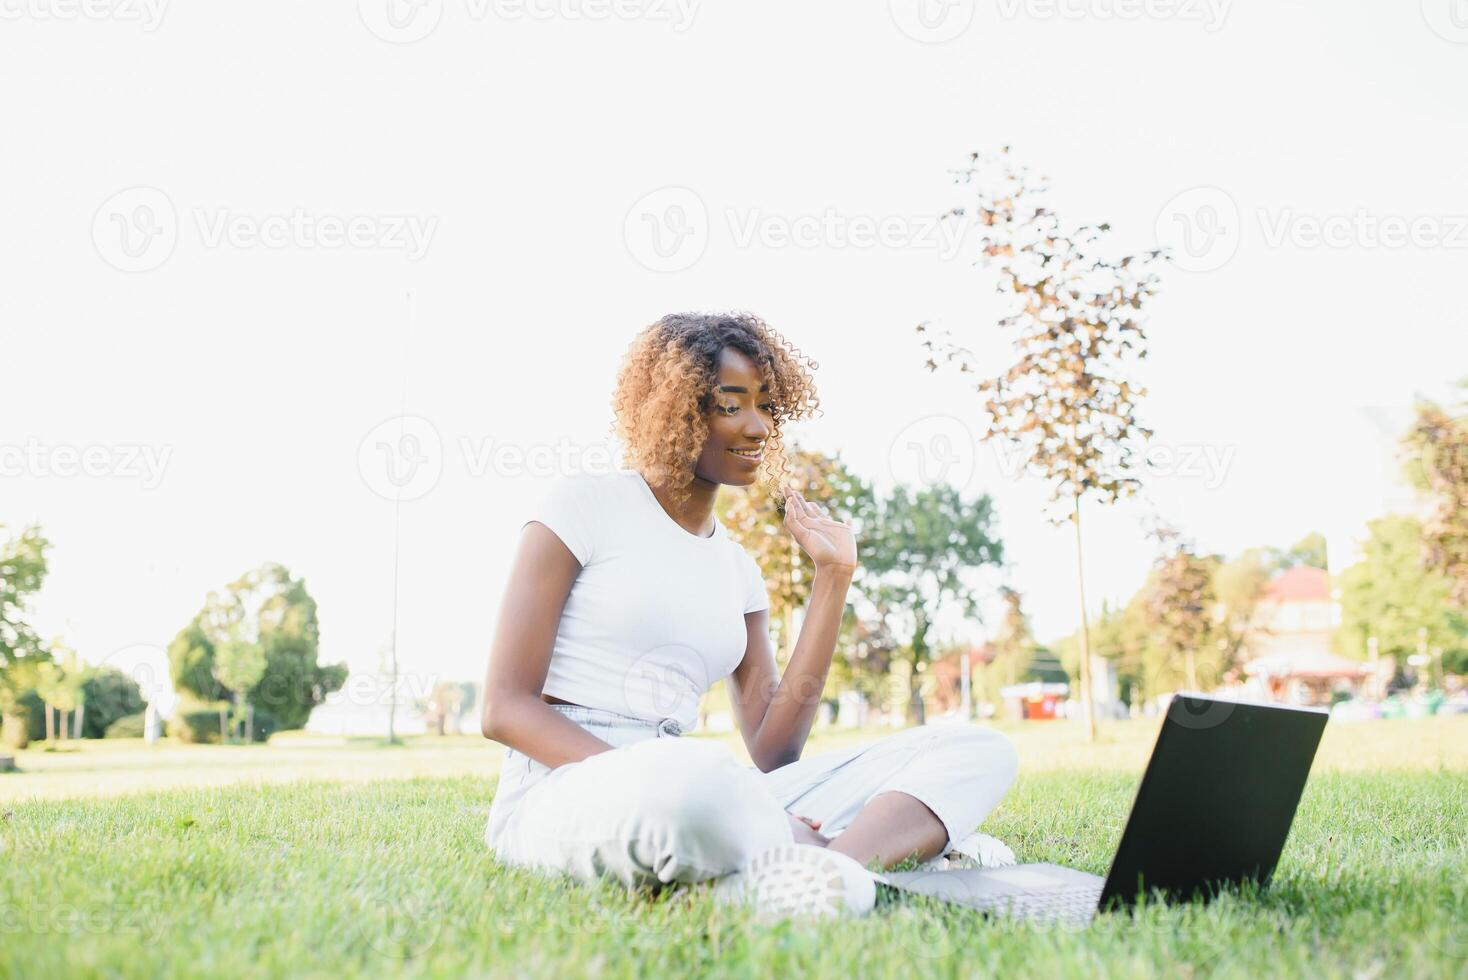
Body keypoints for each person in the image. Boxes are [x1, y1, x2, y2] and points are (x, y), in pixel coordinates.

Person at [480, 311, 1018, 918]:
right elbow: (504, 709)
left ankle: (825, 871)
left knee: (979, 749)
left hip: (708, 786)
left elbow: (772, 751)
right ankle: (874, 853)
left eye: (766, 405)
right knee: (700, 785)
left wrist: (832, 580)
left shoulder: (737, 568)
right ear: (677, 410)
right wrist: (679, 782)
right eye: (731, 405)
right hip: (569, 786)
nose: (759, 425)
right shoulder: (583, 505)